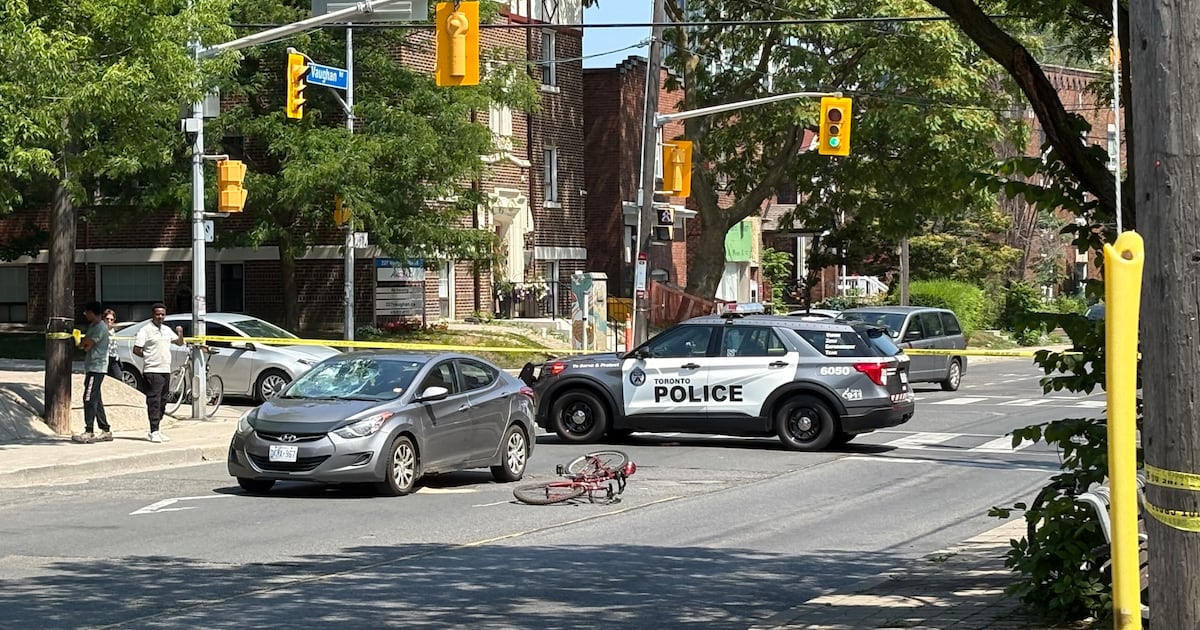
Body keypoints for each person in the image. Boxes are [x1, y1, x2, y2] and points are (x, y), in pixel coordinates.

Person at [133, 302, 185, 443]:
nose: (160, 317)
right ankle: (153, 430)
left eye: (162, 314)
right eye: (158, 314)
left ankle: (157, 428)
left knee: (163, 400)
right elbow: (136, 349)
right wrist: (148, 356)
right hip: (152, 370)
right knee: (154, 401)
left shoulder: (167, 330)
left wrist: (180, 333)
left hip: (165, 369)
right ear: (153, 315)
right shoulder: (145, 330)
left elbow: (179, 343)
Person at [72, 302, 113, 444]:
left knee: (88, 397)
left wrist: (81, 342)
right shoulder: (92, 326)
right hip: (91, 366)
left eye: (86, 312)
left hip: (97, 367)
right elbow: (85, 343)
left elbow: (87, 345)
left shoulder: (100, 328)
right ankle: (105, 429)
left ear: (92, 313)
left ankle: (89, 430)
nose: (85, 315)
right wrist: (82, 342)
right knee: (96, 398)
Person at [103, 308, 122, 380]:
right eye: (107, 319)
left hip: (113, 358)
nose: (109, 321)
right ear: (104, 319)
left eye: (111, 319)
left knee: (118, 377)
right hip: (103, 358)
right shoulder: (101, 330)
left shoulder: (115, 331)